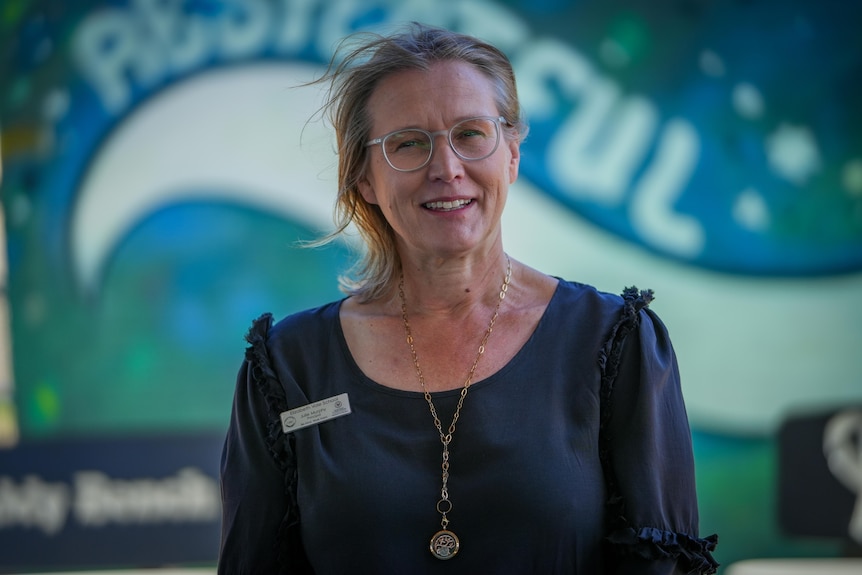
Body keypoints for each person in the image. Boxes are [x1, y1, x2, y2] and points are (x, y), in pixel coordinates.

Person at [218, 22, 718, 574]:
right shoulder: (290, 364)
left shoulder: (613, 342)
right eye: (408, 143)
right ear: (364, 178)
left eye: (471, 134)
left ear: (511, 156)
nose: (446, 168)